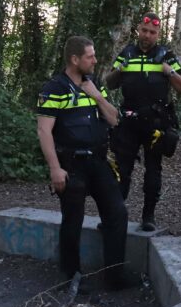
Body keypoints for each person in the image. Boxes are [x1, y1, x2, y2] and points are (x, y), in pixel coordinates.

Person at [37, 36, 130, 290]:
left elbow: (114, 120)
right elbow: (44, 131)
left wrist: (98, 97)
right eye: (90, 56)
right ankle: (71, 277)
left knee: (117, 213)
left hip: (99, 161)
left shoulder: (94, 84)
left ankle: (114, 276)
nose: (95, 60)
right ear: (74, 59)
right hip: (71, 164)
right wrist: (55, 168)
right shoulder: (54, 88)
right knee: (72, 220)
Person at [106, 12, 181, 231]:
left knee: (153, 170)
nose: (147, 35)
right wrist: (119, 71)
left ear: (158, 34)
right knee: (122, 170)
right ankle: (115, 216)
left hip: (156, 123)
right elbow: (110, 83)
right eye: (144, 31)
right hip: (129, 121)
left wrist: (169, 72)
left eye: (152, 32)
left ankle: (148, 217)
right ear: (138, 30)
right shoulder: (127, 53)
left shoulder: (166, 54)